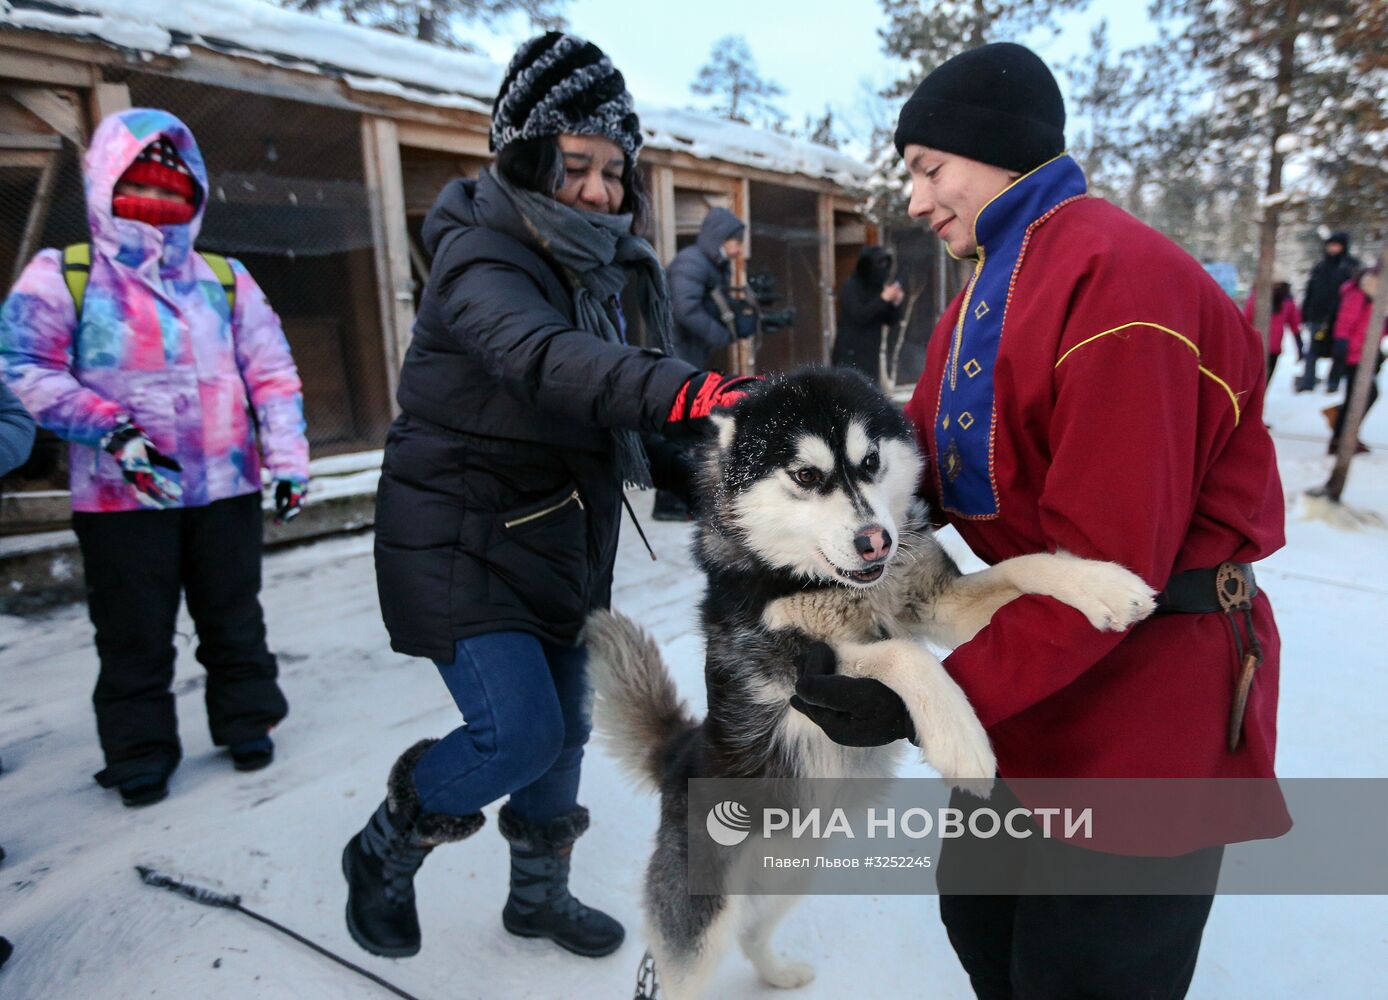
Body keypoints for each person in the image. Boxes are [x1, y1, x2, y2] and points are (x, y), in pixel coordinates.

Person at [789, 43, 1287, 1000]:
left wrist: (924, 697)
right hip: (1035, 675)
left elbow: (1108, 565)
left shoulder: (1121, 285)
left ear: (1000, 149)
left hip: (1148, 700)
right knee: (981, 916)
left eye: (931, 169)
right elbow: (917, 469)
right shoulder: (987, 288)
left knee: (1087, 969)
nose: (918, 201)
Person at [342, 32, 750, 963]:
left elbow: (622, 425)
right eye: (577, 167)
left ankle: (537, 899)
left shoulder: (595, 271)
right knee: (518, 735)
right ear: (524, 155)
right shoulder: (480, 259)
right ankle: (384, 846)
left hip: (558, 542)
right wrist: (690, 386)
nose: (602, 192)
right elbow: (549, 362)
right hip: (459, 542)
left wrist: (738, 478)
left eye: (615, 171)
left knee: (563, 734)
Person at [0, 109, 309, 808]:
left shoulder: (225, 279)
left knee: (234, 615)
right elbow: (23, 365)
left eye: (174, 188)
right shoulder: (65, 275)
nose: (160, 202)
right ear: (106, 185)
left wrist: (288, 460)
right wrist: (112, 431)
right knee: (133, 630)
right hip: (121, 495)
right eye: (139, 185)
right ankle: (139, 752)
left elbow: (273, 374)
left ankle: (247, 719)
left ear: (195, 193)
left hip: (227, 484)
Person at [652, 206, 748, 520]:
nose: (739, 250)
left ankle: (678, 497)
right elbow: (686, 309)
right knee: (676, 420)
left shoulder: (709, 263)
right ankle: (668, 502)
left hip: (690, 349)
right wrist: (721, 333)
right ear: (722, 239)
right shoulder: (690, 263)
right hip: (678, 351)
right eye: (737, 241)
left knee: (685, 421)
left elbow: (709, 304)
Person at [1324, 266, 1384, 455]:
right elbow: (1345, 321)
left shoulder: (1379, 296)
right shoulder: (1359, 292)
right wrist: (1342, 346)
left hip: (1368, 354)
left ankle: (1344, 433)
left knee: (1362, 395)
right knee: (1362, 395)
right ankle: (1340, 438)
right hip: (1353, 354)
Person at [1297, 231, 1359, 392]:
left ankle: (1333, 383)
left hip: (1340, 319)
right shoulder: (1320, 266)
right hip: (1318, 317)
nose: (1332, 248)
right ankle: (1308, 382)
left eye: (1336, 245)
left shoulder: (1351, 267)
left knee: (1339, 353)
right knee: (1313, 351)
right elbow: (1310, 291)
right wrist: (1305, 312)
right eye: (1330, 244)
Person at [831, 245, 904, 379]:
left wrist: (895, 303)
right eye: (879, 264)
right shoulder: (851, 286)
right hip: (849, 353)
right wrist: (883, 299)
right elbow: (859, 315)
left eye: (885, 264)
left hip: (870, 353)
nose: (883, 269)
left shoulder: (877, 288)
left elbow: (890, 320)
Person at [1243, 280, 1301, 385]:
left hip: (1264, 347)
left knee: (1258, 381)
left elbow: (1294, 324)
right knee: (1259, 381)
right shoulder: (1284, 299)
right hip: (1261, 347)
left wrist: (1299, 343)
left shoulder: (1257, 297)